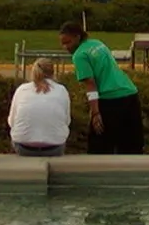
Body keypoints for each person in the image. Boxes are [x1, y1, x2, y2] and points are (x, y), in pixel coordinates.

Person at [59, 21, 143, 154]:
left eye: (68, 42)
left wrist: (96, 113)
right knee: (131, 146)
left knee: (99, 147)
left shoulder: (79, 55)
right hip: (130, 93)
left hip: (110, 99)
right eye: (62, 43)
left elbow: (91, 84)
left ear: (77, 37)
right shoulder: (97, 43)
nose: (65, 47)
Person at [8, 58, 71, 157]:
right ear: (53, 73)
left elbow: (12, 122)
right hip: (55, 148)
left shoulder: (22, 90)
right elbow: (66, 121)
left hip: (23, 147)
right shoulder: (61, 90)